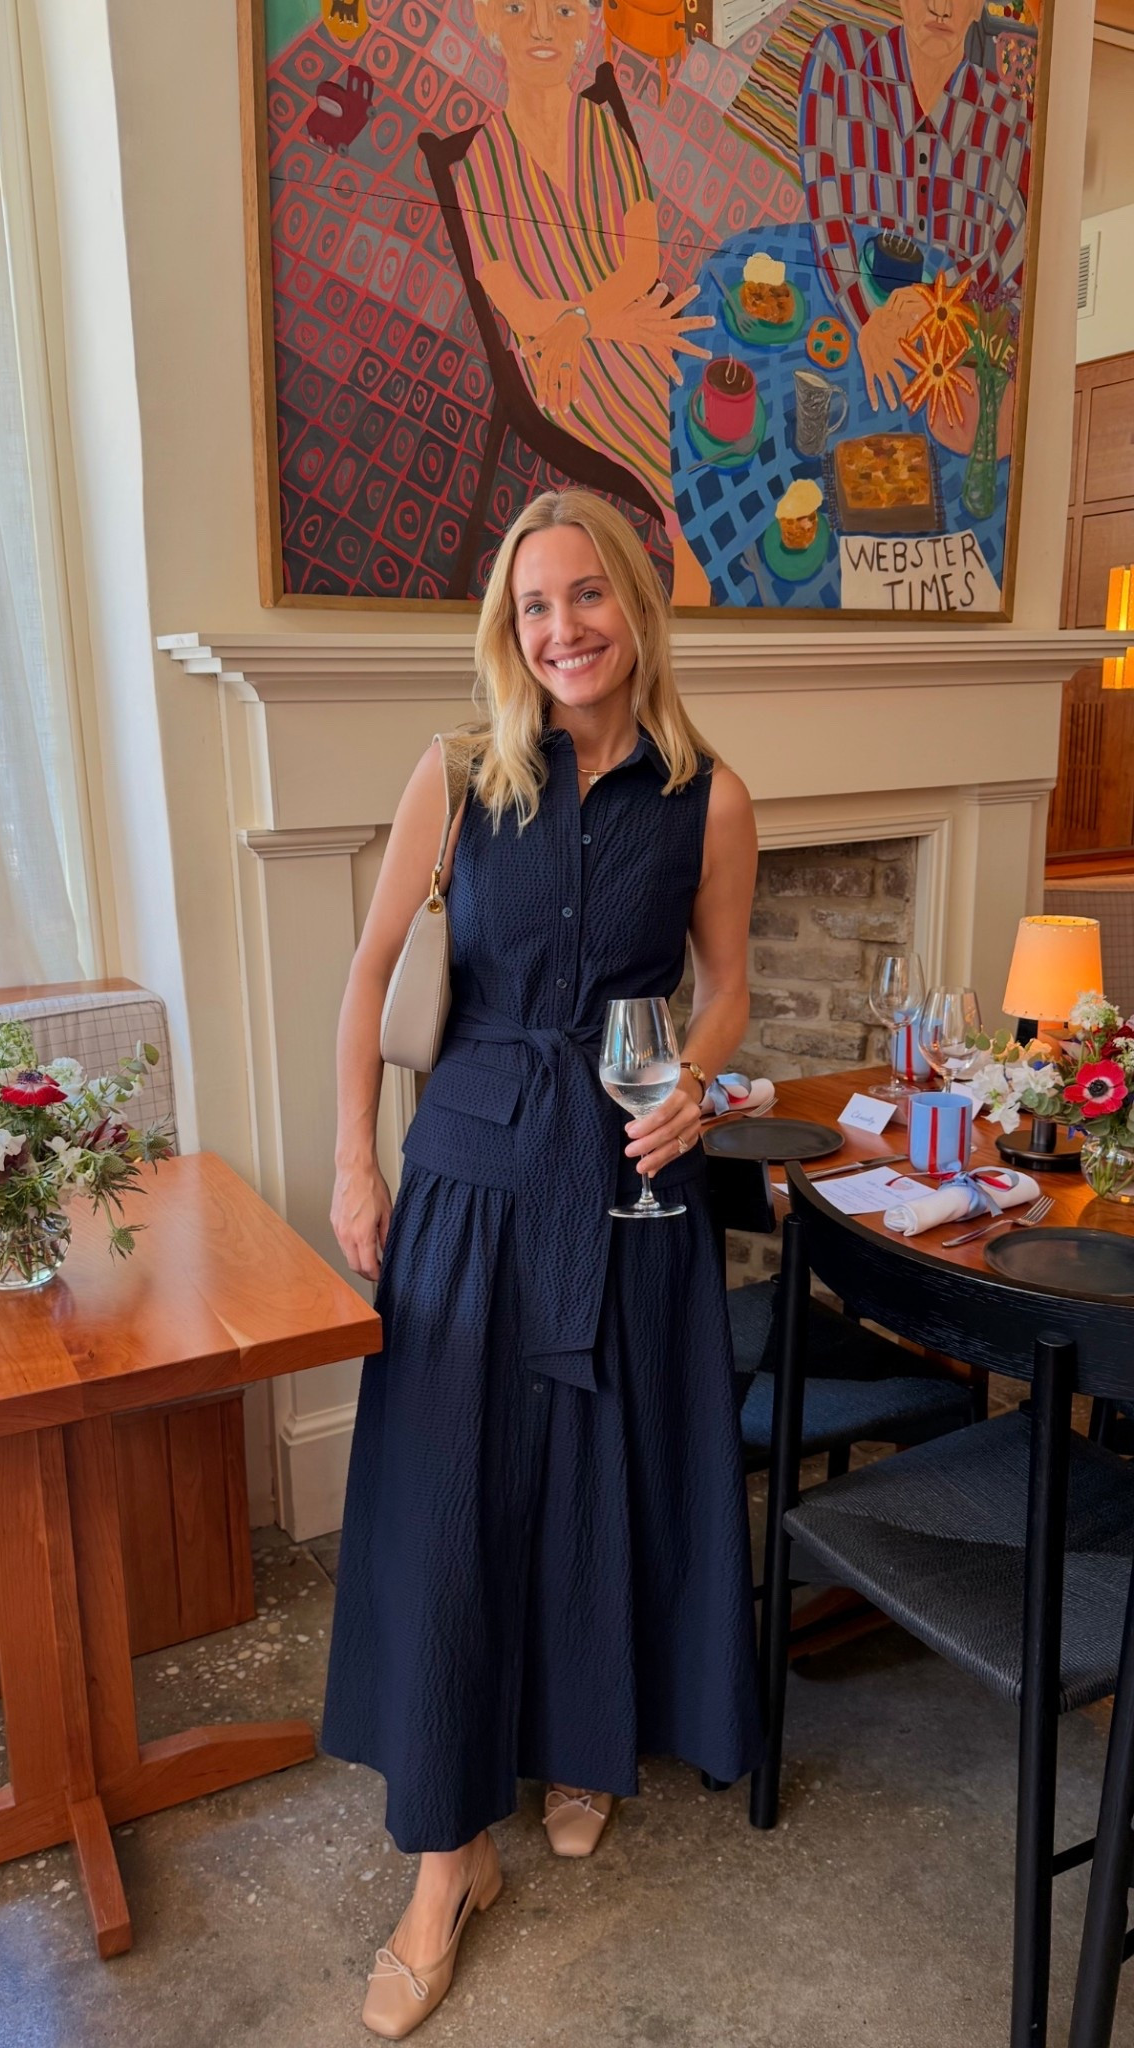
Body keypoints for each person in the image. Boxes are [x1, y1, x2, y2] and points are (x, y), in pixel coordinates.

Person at [323, 488, 762, 2038]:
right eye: (534, 608)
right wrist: (353, 1159)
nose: (562, 629)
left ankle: (587, 1742)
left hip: (630, 1173)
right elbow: (372, 970)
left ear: (635, 608)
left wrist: (698, 1081)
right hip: (467, 1170)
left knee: (597, 1476)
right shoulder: (456, 777)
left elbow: (725, 985)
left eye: (587, 598)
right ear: (510, 630)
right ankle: (446, 1864)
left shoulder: (708, 797)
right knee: (450, 1502)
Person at [453, 0, 714, 606]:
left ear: (583, 28)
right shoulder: (478, 170)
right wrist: (591, 326)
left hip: (633, 317)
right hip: (560, 359)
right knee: (679, 443)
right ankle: (699, 603)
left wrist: (587, 317)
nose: (542, 28)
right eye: (518, 8)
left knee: (727, 400)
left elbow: (643, 262)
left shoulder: (603, 130)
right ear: (490, 22)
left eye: (564, 10)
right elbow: (519, 309)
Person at [797, 0, 1031, 423]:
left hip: (945, 370)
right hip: (841, 336)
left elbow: (1008, 274)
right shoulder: (841, 62)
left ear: (980, 7)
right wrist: (869, 323)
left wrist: (944, 312)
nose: (940, 8)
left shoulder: (1006, 117)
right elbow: (826, 213)